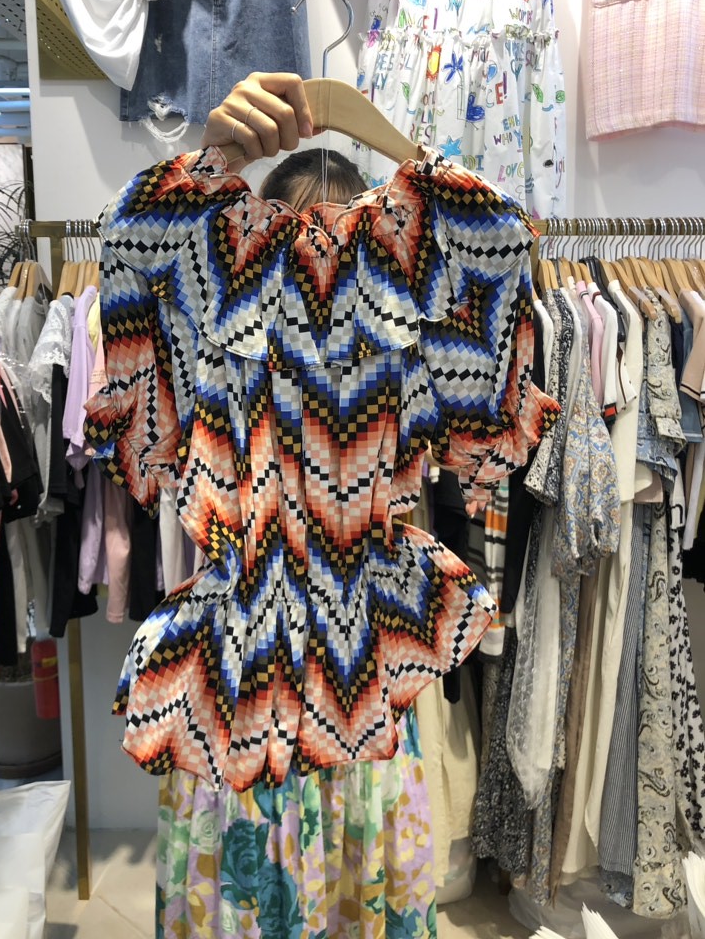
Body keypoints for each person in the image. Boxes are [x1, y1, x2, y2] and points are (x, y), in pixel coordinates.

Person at [85, 72, 556, 939]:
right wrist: (212, 156)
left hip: (352, 691)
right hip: (243, 696)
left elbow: (497, 242)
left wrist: (434, 178)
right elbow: (132, 236)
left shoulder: (435, 248)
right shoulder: (200, 251)